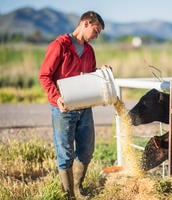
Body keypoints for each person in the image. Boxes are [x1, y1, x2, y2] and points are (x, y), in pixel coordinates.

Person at [39, 11, 105, 199]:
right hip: (64, 108)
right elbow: (44, 75)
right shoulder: (59, 46)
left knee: (86, 149)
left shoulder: (89, 51)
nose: (96, 36)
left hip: (84, 108)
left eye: (99, 33)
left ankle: (78, 188)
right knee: (65, 152)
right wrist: (56, 97)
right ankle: (68, 194)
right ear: (85, 23)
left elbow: (90, 77)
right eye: (95, 30)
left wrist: (103, 73)